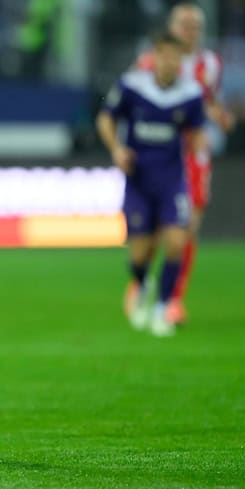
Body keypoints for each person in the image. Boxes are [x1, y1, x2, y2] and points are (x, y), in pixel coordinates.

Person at [97, 31, 207, 337]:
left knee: (176, 242)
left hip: (172, 180)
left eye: (176, 57)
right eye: (165, 55)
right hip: (138, 181)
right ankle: (143, 283)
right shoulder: (133, 86)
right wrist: (117, 149)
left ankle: (162, 309)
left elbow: (196, 133)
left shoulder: (190, 93)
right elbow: (106, 118)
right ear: (155, 57)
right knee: (140, 254)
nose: (170, 62)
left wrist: (201, 152)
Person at [134, 4, 234, 324]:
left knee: (188, 227)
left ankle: (173, 297)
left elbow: (208, 102)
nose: (190, 31)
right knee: (152, 229)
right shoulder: (149, 61)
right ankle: (141, 281)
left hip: (194, 154)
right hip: (159, 152)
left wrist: (218, 116)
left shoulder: (210, 64)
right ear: (171, 27)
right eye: (185, 25)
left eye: (196, 26)